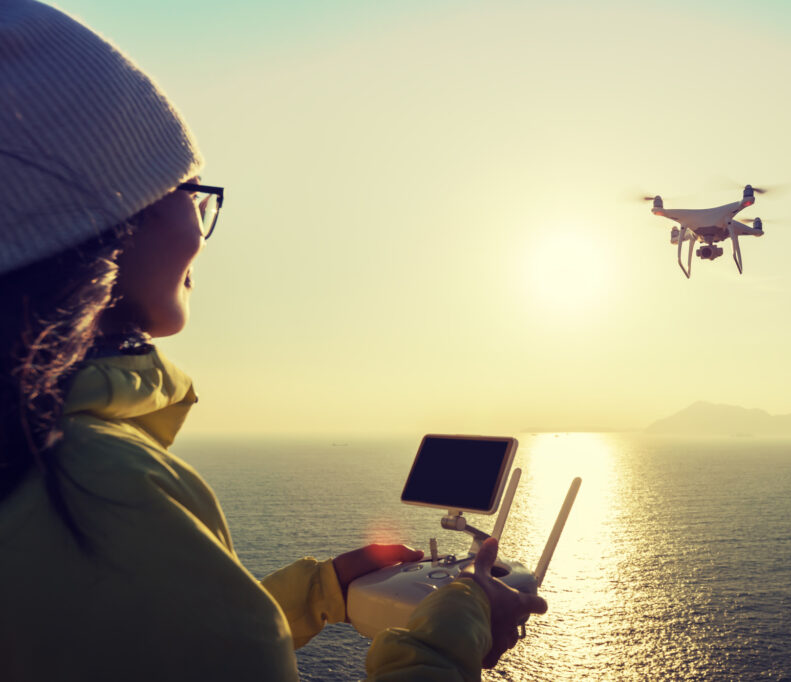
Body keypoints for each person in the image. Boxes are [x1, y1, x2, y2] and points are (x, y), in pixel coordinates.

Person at [0, 1, 546, 680]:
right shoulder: (93, 492)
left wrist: (320, 593)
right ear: (111, 217)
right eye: (187, 190)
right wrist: (448, 640)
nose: (202, 228)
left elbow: (147, 646)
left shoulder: (36, 466)